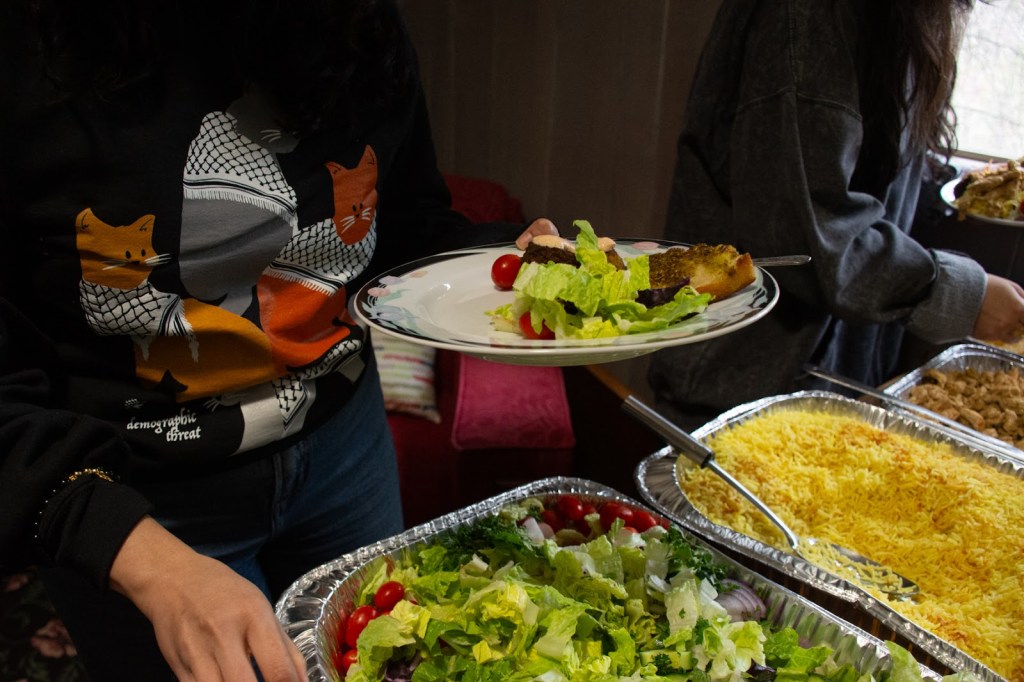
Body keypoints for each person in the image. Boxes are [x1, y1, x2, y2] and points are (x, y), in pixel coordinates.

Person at [0, 1, 555, 679]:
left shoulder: (360, 23)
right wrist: (138, 555)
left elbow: (401, 226)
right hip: (140, 492)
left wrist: (503, 264)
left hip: (346, 453)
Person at [648, 0, 1024, 430]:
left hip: (828, 379)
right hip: (741, 391)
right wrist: (956, 293)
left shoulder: (904, 16)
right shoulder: (807, 15)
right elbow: (808, 235)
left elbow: (881, 177)